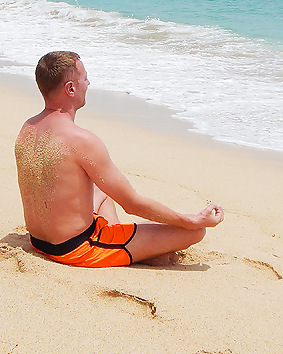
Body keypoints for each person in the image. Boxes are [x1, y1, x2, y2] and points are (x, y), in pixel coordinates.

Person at [15, 51, 224, 267]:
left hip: (39, 240)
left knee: (103, 192)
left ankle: (136, 247)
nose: (88, 82)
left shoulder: (28, 128)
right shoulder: (81, 140)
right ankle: (136, 252)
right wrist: (191, 220)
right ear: (70, 88)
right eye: (84, 78)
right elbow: (132, 204)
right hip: (77, 248)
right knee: (195, 233)